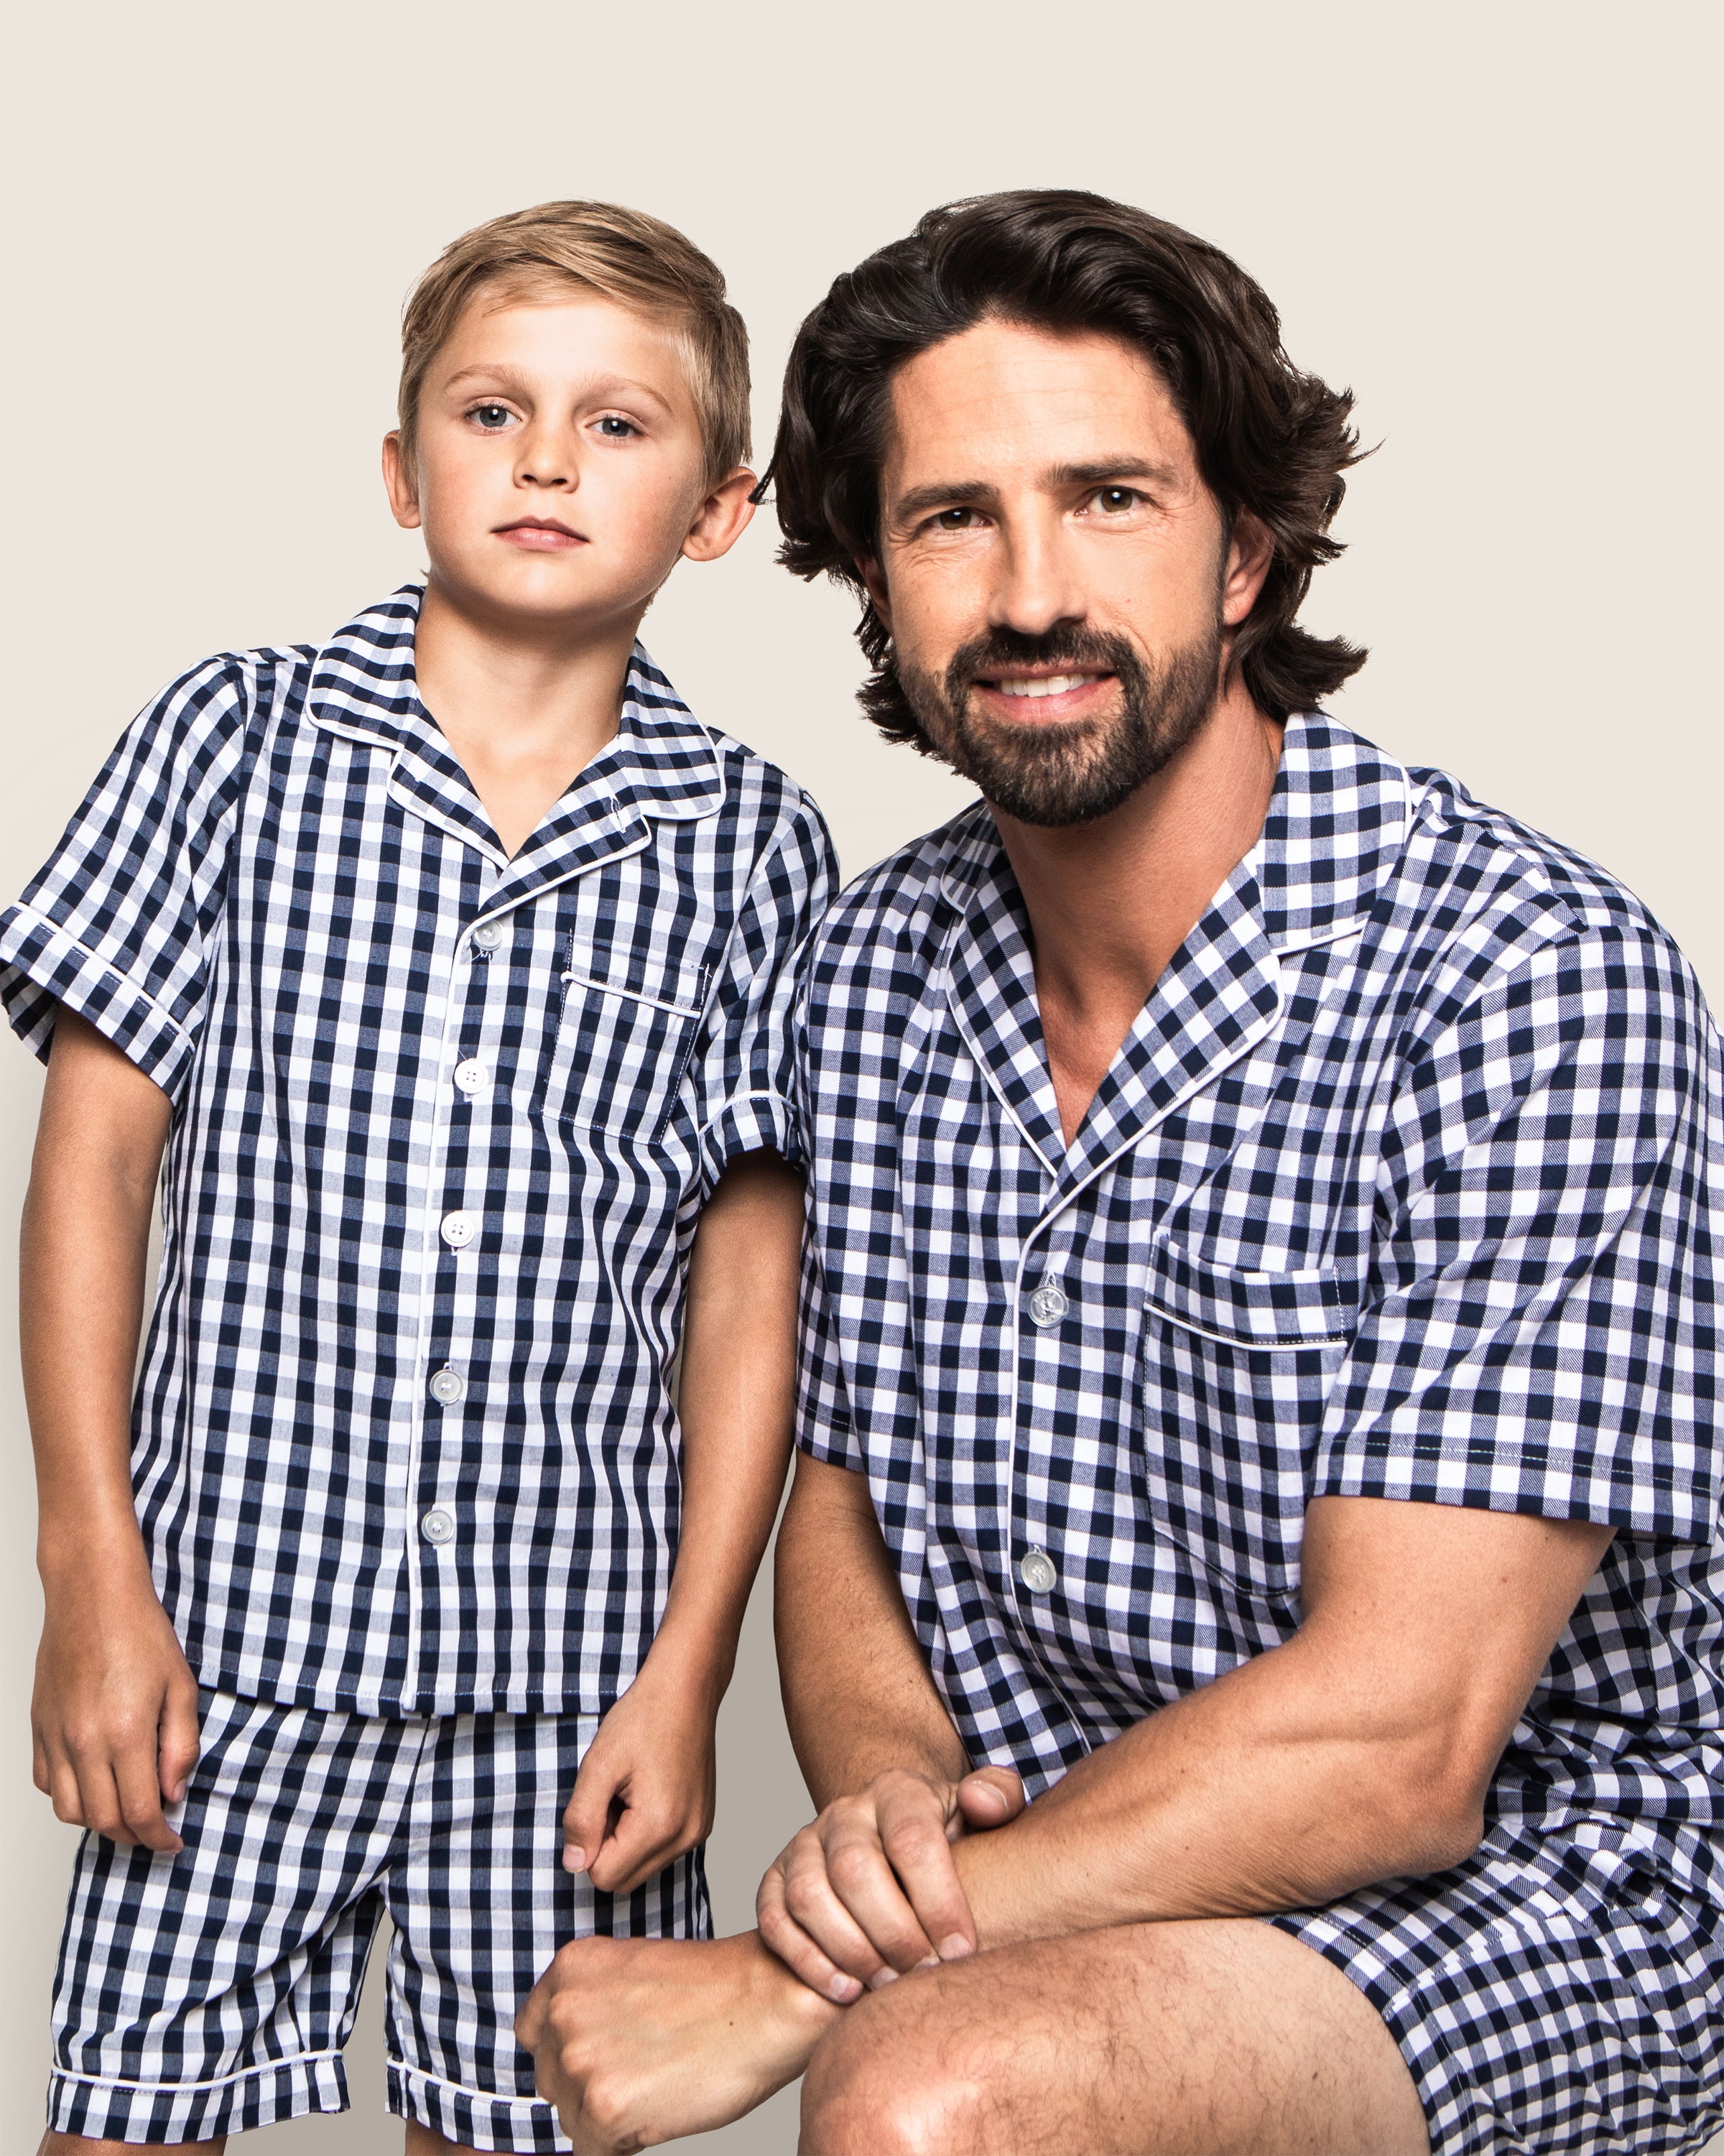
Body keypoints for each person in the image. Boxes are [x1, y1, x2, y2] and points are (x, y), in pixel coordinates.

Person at [517, 190, 1724, 2156]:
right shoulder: (870, 968)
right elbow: (839, 1485)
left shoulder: (1526, 977)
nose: (1027, 592)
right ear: (874, 581)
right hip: (1052, 1851)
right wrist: (895, 1819)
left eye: (1108, 499)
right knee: (932, 2038)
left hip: (1522, 1887)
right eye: (949, 518)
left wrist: (805, 1973)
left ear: (1246, 549)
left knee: (923, 2093)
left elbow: (1403, 1741)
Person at [6, 200, 834, 2152]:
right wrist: (88, 1566)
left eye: (618, 426)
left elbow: (747, 1291)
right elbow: (92, 1167)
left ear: (720, 509)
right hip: (227, 1653)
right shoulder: (231, 741)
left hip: (563, 1697)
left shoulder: (754, 848)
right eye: (494, 409)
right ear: (403, 469)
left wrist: (689, 1675)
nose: (546, 459)